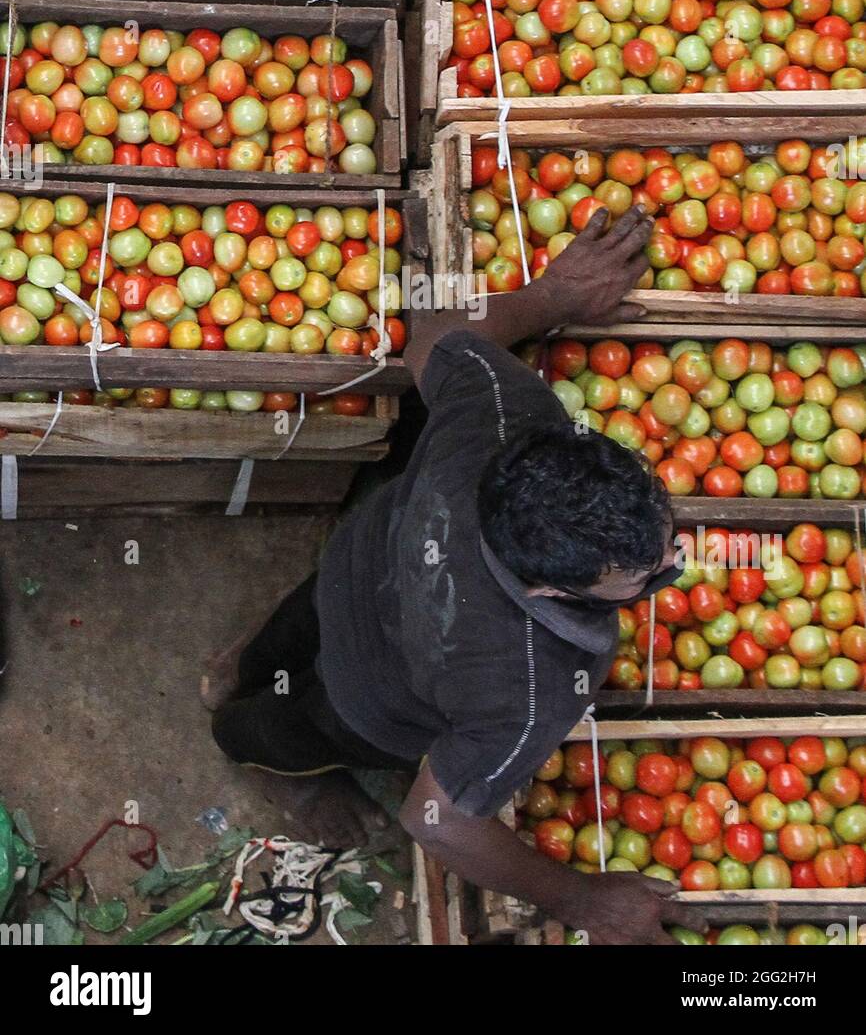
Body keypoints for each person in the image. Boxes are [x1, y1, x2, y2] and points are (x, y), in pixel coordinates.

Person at [205, 204, 693, 944]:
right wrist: (580, 901)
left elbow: (432, 336)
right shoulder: (535, 686)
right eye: (640, 575)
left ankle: (240, 664)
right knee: (288, 724)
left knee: (292, 632)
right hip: (369, 700)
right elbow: (433, 818)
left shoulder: (503, 411)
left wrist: (547, 298)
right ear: (547, 591)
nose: (671, 564)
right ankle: (255, 752)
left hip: (361, 564)